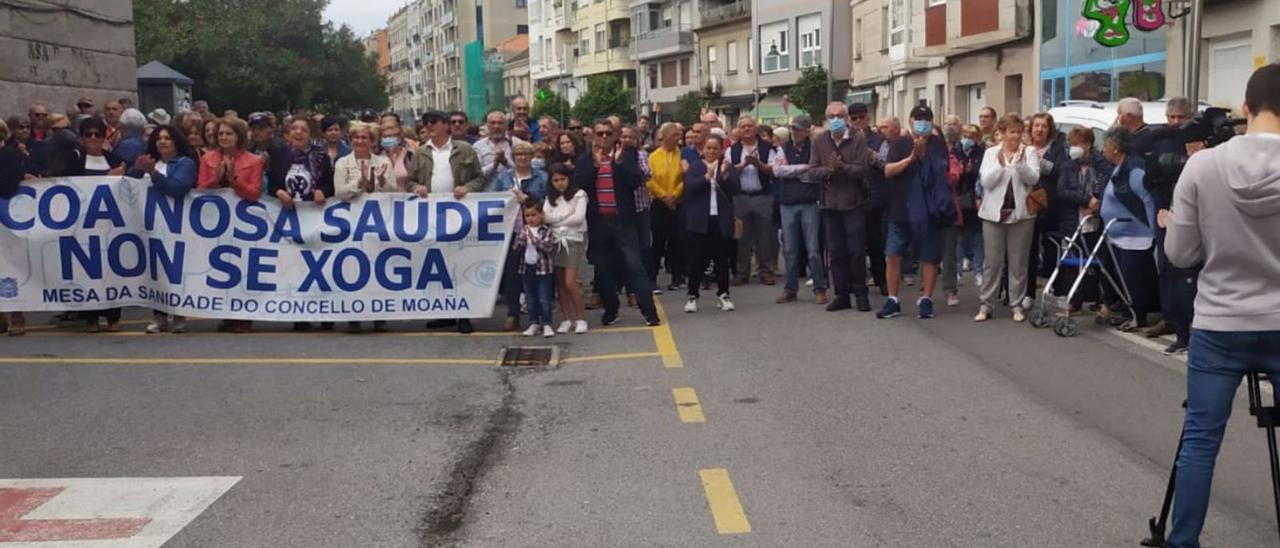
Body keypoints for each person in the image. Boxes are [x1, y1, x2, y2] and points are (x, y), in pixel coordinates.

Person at [1162, 63, 1280, 547]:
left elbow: (1180, 255)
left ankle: (1182, 539)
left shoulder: (1203, 165)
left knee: (1201, 442)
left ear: (1246, 107)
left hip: (1219, 322)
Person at [573, 119, 660, 326]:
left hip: (623, 221)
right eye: (600, 133)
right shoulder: (586, 159)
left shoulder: (627, 156)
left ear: (615, 135)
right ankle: (611, 310)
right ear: (594, 135)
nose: (604, 137)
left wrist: (617, 164)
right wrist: (595, 165)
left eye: (608, 133)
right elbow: (580, 183)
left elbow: (635, 182)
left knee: (634, 266)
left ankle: (649, 312)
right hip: (598, 222)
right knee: (603, 270)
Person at [406, 110, 486, 334]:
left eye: (434, 122)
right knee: (436, 265)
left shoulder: (465, 150)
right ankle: (443, 311)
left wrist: (467, 189)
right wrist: (416, 188)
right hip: (432, 217)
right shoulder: (420, 152)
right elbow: (410, 182)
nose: (429, 126)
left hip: (459, 215)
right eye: (426, 123)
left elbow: (479, 178)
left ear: (445, 126)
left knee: (460, 263)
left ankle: (464, 313)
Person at [878, 104, 949, 319]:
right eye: (918, 118)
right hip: (901, 209)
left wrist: (925, 156)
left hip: (929, 210)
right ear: (910, 122)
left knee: (930, 257)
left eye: (927, 119)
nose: (923, 122)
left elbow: (943, 170)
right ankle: (893, 300)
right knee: (893, 255)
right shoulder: (900, 142)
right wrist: (912, 157)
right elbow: (888, 171)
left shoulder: (938, 143)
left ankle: (926, 299)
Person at [130, 125, 199, 334]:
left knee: (176, 270)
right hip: (150, 225)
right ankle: (159, 317)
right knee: (155, 271)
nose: (163, 142)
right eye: (159, 138)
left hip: (177, 225)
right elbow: (130, 185)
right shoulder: (151, 162)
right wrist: (137, 170)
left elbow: (177, 188)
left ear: (176, 141)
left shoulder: (185, 163)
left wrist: (153, 173)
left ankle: (179, 314)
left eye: (167, 138)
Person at [974, 115, 1040, 322]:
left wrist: (1020, 165)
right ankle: (986, 305)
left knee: (1018, 263)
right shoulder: (991, 153)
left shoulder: (1029, 152)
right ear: (1001, 133)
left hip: (1021, 214)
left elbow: (1034, 178)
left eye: (1019, 132)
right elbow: (986, 182)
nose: (1016, 136)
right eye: (1011, 132)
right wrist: (1001, 166)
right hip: (994, 214)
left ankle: (1016, 305)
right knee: (992, 263)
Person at [333, 121, 394, 334]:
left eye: (364, 138)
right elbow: (339, 192)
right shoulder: (343, 163)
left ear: (372, 141)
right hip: (352, 223)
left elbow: (393, 190)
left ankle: (379, 315)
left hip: (378, 222)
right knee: (353, 268)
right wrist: (359, 183)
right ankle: (354, 315)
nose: (360, 141)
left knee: (378, 266)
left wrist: (381, 181)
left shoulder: (384, 161)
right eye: (356, 138)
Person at [1149, 96, 1197, 349]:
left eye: (1181, 117)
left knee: (1187, 273)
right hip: (1164, 211)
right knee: (1166, 269)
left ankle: (1192, 328)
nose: (1176, 122)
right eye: (1172, 117)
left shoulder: (1197, 140)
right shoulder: (1159, 140)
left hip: (1191, 216)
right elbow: (1149, 176)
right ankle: (1175, 325)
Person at [1099, 127, 1157, 332]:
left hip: (1136, 236)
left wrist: (1154, 231)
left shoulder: (1134, 170)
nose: (1102, 149)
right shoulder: (1118, 167)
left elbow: (1148, 201)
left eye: (1105, 145)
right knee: (1124, 277)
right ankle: (1128, 312)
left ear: (1115, 148)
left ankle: (1138, 316)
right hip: (1119, 236)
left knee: (1135, 279)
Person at [772, 114, 829, 305]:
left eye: (797, 129)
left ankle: (819, 288)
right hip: (787, 203)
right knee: (790, 250)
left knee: (813, 249)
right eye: (792, 128)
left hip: (808, 203)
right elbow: (778, 171)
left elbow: (815, 172)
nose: (794, 132)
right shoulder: (783, 148)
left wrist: (794, 170)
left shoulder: (815, 148)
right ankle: (790, 289)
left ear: (806, 131)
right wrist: (802, 169)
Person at [1053, 126, 1110, 316]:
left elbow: (1107, 184)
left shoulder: (1101, 163)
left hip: (1097, 220)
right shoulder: (1069, 165)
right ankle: (1074, 300)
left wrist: (1096, 202)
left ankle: (1103, 300)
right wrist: (1085, 200)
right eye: (1071, 144)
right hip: (1073, 219)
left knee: (1099, 261)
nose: (1073, 148)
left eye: (1078, 144)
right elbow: (1062, 191)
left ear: (1088, 145)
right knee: (1072, 261)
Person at [494, 141, 550, 331]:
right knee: (512, 274)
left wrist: (528, 198)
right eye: (518, 155)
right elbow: (495, 199)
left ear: (531, 156)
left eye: (526, 154)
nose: (522, 158)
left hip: (535, 230)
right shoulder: (504, 177)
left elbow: (547, 201)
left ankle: (542, 315)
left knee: (538, 273)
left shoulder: (541, 177)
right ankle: (513, 313)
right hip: (513, 230)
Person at [681, 134, 738, 313]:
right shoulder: (696, 167)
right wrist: (707, 176)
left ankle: (723, 294)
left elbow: (735, 188)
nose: (712, 152)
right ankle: (692, 295)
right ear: (703, 150)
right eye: (708, 148)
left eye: (715, 148)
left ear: (721, 150)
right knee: (696, 260)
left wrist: (725, 175)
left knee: (722, 260)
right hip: (699, 220)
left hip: (720, 219)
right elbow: (690, 187)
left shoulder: (726, 166)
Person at [727, 116, 777, 286]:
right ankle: (742, 272)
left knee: (764, 237)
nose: (746, 129)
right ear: (738, 130)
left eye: (749, 126)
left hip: (762, 196)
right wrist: (742, 166)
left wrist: (757, 164)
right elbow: (726, 172)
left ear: (756, 128)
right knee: (741, 237)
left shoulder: (767, 148)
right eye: (743, 127)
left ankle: (766, 271)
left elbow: (773, 170)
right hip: (740, 197)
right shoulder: (732, 150)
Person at [543, 163, 589, 334]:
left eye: (563, 179)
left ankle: (581, 318)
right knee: (560, 282)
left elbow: (578, 219)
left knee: (570, 281)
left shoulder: (579, 195)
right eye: (556, 180)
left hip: (573, 240)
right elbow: (545, 217)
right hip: (554, 241)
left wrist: (556, 219)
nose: (560, 183)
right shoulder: (550, 198)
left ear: (569, 178)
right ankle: (566, 318)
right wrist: (565, 215)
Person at [648, 122, 685, 291]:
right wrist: (663, 196)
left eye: (679, 135)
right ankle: (652, 279)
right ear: (665, 137)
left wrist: (675, 195)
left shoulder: (682, 155)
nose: (678, 139)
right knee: (657, 242)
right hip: (659, 204)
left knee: (677, 241)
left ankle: (678, 277)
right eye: (675, 135)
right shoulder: (653, 157)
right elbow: (649, 180)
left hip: (677, 203)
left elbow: (685, 178)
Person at [0, 118, 28, 335]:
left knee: (12, 264)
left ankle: (17, 313)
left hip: (8, 216)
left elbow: (8, 186)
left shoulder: (9, 155)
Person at [514, 201, 557, 338]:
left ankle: (547, 323)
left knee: (544, 297)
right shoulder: (522, 230)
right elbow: (516, 249)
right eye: (527, 216)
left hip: (543, 269)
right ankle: (533, 323)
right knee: (530, 298)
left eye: (534, 215)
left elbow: (548, 248)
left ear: (541, 215)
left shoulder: (546, 230)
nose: (531, 218)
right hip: (527, 268)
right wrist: (521, 241)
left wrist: (533, 239)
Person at [939, 125, 967, 307]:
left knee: (949, 252)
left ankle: (950, 289)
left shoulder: (950, 158)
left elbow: (954, 177)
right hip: (926, 210)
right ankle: (926, 289)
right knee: (928, 252)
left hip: (947, 209)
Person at [955, 124, 985, 289]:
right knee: (959, 237)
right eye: (966, 135)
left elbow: (982, 174)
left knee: (977, 237)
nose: (968, 140)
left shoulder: (982, 152)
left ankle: (979, 271)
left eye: (972, 137)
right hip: (959, 198)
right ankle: (957, 271)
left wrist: (971, 171)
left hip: (976, 200)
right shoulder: (955, 151)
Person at [474, 110, 522, 191]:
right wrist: (494, 165)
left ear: (506, 126)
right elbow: (476, 174)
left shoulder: (517, 143)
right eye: (493, 123)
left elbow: (524, 171)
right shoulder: (478, 146)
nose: (496, 126)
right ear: (487, 126)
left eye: (500, 123)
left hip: (512, 195)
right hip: (487, 195)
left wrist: (505, 162)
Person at [379, 120, 414, 191]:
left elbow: (415, 180)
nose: (390, 138)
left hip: (405, 199)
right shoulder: (377, 156)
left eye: (394, 135)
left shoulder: (409, 154)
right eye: (386, 136)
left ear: (400, 136)